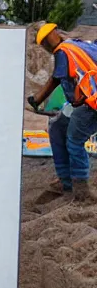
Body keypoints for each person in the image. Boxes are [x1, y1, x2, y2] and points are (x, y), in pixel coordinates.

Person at [28, 23, 97, 202]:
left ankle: (81, 189)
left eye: (45, 41)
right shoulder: (76, 44)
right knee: (57, 127)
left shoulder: (63, 52)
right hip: (84, 100)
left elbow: (55, 80)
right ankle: (65, 180)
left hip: (91, 102)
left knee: (74, 140)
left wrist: (37, 100)